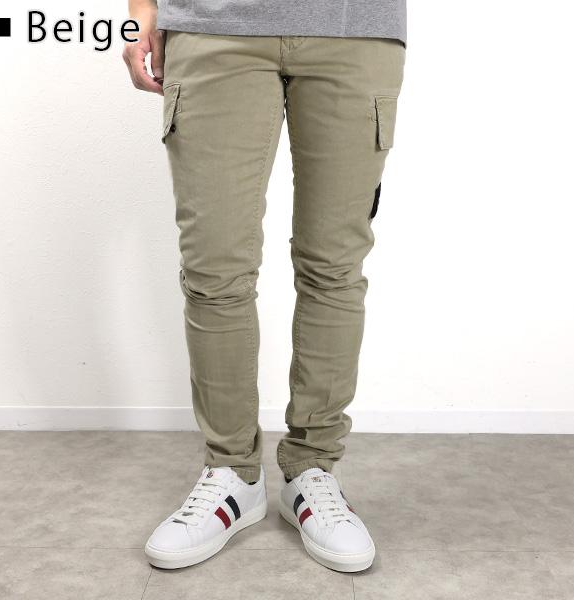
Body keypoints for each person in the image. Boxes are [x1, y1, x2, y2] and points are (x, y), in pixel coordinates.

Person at [123, 0, 406, 573]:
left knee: (334, 268)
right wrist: (139, 13)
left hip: (354, 29)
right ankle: (232, 473)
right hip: (211, 26)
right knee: (214, 270)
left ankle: (312, 470)